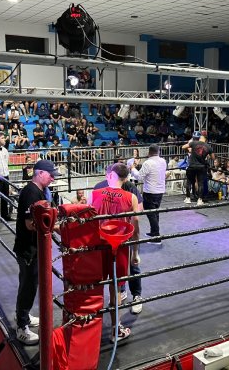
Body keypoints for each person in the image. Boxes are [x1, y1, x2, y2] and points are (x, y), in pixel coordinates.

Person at [90, 163, 140, 341]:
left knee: (95, 286)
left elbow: (88, 221)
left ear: (110, 175)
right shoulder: (131, 197)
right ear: (126, 178)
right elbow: (135, 228)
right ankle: (114, 329)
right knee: (115, 289)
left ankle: (91, 329)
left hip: (98, 246)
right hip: (119, 247)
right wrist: (135, 252)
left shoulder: (95, 193)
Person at [13, 159, 60, 345]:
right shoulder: (31, 192)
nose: (53, 179)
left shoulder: (39, 191)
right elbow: (30, 223)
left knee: (31, 284)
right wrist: (54, 227)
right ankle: (21, 326)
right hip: (28, 250)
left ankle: (23, 316)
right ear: (40, 173)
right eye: (50, 175)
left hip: (33, 248)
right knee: (28, 286)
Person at [130, 144, 167, 242]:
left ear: (149, 152)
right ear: (158, 151)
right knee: (155, 212)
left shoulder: (148, 163)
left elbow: (140, 177)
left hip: (150, 191)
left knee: (151, 213)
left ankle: (156, 236)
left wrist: (133, 168)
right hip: (160, 190)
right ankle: (154, 232)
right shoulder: (163, 161)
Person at [182, 131, 214, 206]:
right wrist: (206, 154)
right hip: (201, 166)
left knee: (189, 182)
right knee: (200, 183)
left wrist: (189, 150)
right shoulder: (208, 146)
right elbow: (213, 157)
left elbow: (183, 147)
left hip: (192, 165)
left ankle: (188, 198)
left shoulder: (193, 143)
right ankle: (200, 200)